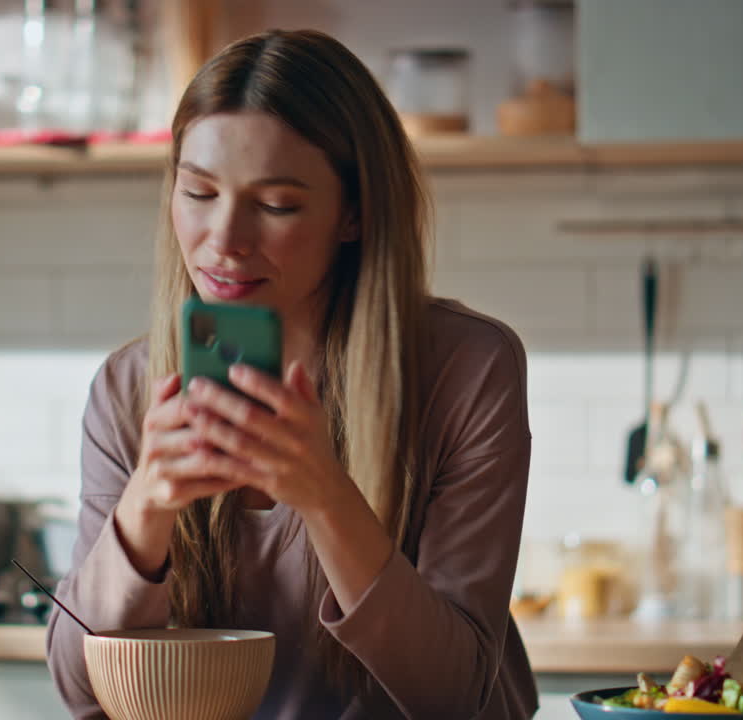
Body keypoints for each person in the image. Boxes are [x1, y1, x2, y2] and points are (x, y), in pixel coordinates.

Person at [46, 28, 538, 720]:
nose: (224, 240)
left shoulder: (467, 371)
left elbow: (456, 696)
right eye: (198, 192)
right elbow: (78, 693)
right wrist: (145, 509)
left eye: (276, 205)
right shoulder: (129, 389)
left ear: (354, 213)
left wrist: (327, 497)